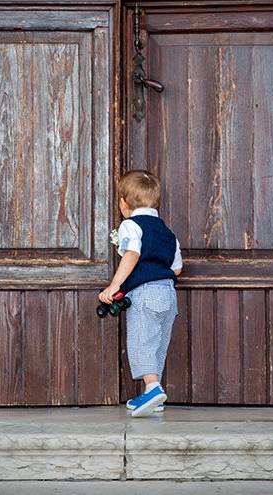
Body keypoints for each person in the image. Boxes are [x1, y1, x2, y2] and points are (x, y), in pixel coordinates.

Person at [98, 170, 182, 417]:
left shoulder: (130, 225)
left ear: (124, 203)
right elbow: (176, 268)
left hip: (145, 294)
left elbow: (133, 254)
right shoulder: (167, 232)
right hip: (168, 294)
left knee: (141, 340)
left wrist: (114, 286)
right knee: (158, 344)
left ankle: (153, 388)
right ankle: (153, 395)